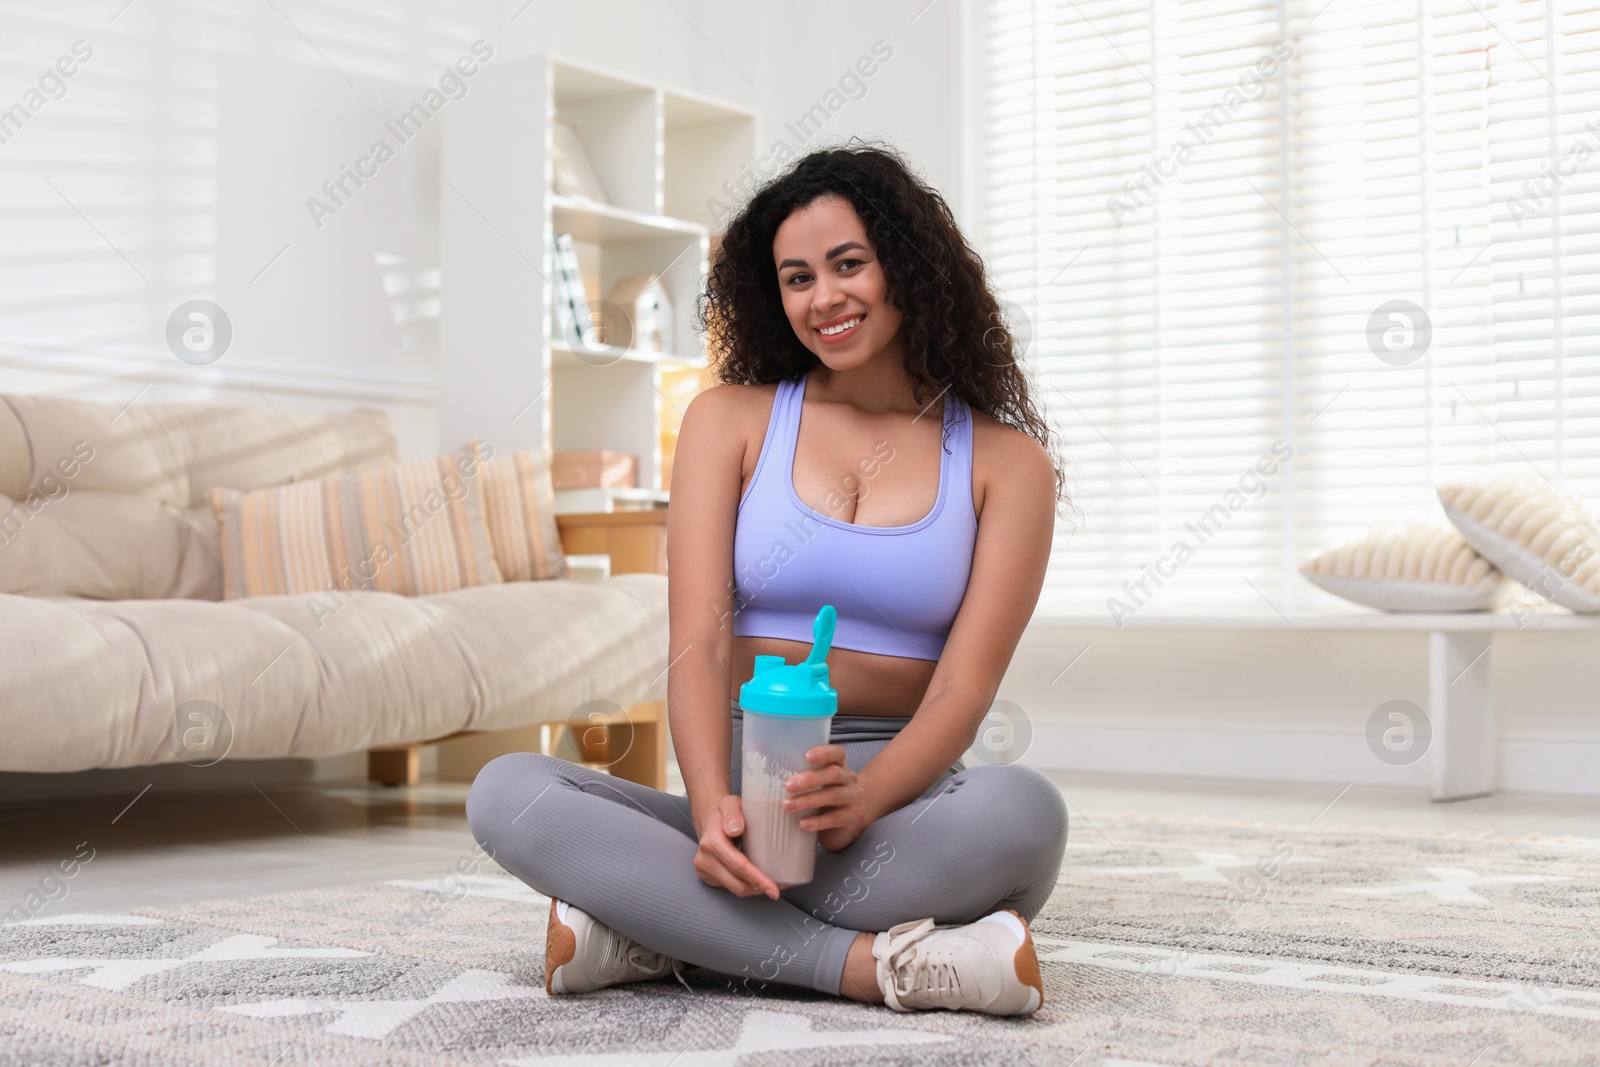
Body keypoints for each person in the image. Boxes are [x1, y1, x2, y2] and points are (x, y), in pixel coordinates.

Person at [466, 141, 1071, 1015]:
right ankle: (869, 966)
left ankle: (657, 930)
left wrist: (863, 797)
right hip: (748, 800)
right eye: (796, 277)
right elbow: (700, 643)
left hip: (899, 810)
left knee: (1025, 814)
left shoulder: (1008, 465)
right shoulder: (730, 421)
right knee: (509, 793)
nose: (823, 297)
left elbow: (963, 691)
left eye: (848, 264)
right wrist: (712, 808)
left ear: (908, 265)